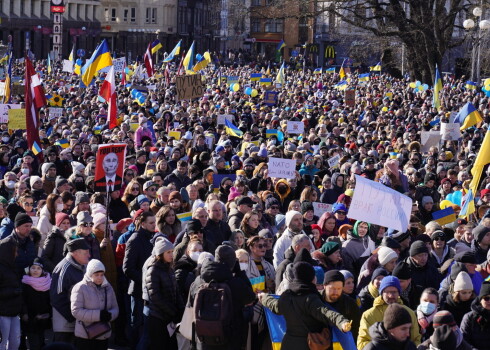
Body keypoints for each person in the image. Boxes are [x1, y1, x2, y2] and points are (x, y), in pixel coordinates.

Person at [259, 262, 351, 350]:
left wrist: (263, 297)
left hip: (289, 344)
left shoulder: (287, 295)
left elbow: (275, 306)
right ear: (311, 278)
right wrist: (342, 322)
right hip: (309, 345)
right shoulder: (310, 298)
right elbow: (326, 313)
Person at [188, 245, 256, 349]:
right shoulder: (235, 283)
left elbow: (190, 304)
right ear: (233, 262)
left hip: (204, 337)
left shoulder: (199, 281)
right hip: (230, 338)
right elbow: (250, 297)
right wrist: (240, 273)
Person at [358, 276, 421, 350]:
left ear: (399, 293)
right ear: (381, 292)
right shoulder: (368, 315)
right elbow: (362, 343)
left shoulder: (409, 313)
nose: (391, 295)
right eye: (387, 292)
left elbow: (416, 340)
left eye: (394, 292)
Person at [143, 238, 184, 350]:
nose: (171, 255)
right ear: (161, 254)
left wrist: (181, 309)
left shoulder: (169, 268)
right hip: (158, 318)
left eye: (172, 251)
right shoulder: (153, 270)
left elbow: (176, 290)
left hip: (169, 317)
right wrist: (172, 312)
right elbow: (155, 296)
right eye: (168, 252)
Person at [70, 259, 118, 350]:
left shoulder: (108, 287)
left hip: (103, 334)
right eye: (96, 275)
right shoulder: (79, 288)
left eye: (102, 275)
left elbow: (115, 308)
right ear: (90, 274)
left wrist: (110, 315)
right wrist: (99, 315)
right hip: (85, 335)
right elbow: (76, 311)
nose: (100, 277)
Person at [50, 238, 90, 343]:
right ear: (75, 253)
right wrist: (74, 317)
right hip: (65, 325)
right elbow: (57, 297)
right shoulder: (63, 268)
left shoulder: (84, 266)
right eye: (86, 253)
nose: (89, 255)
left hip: (78, 323)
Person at [21, 258, 52, 350]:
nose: (35, 270)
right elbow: (22, 301)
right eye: (33, 268)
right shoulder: (25, 283)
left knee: (42, 343)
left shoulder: (48, 283)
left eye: (38, 268)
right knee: (34, 345)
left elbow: (50, 301)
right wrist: (24, 313)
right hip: (29, 319)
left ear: (42, 270)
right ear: (29, 269)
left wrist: (48, 314)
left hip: (43, 319)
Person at [322, 270, 362, 340]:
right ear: (324, 286)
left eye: (339, 289)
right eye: (332, 288)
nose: (336, 292)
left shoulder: (350, 304)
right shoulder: (317, 299)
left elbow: (357, 327)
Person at [0, 239, 23, 350]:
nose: (17, 254)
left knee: (15, 342)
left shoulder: (13, 265)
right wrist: (12, 292)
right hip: (3, 313)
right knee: (3, 343)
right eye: (15, 251)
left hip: (14, 311)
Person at [460, 281, 490, 350]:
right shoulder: (469, 317)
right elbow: (464, 341)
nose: (489, 301)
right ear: (480, 300)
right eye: (486, 298)